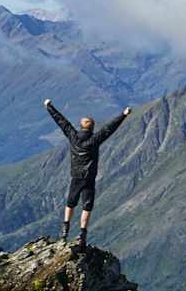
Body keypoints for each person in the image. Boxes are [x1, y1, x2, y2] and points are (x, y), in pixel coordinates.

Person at [44, 98, 131, 248]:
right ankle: (82, 235)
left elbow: (62, 122)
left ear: (81, 126)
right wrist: (123, 115)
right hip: (89, 178)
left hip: (76, 177)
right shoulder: (95, 139)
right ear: (92, 128)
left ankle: (65, 230)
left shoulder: (73, 136)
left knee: (70, 203)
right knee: (87, 206)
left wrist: (49, 106)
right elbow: (109, 128)